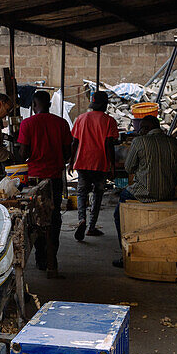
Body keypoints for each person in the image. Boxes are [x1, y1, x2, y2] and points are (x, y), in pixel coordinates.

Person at [113, 115, 177, 267]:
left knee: (118, 212)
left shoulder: (140, 142)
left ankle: (125, 255)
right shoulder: (175, 143)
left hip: (143, 193)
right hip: (168, 193)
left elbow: (128, 168)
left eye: (141, 129)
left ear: (146, 128)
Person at [17, 90, 72, 277]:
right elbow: (67, 153)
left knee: (35, 220)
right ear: (49, 104)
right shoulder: (62, 124)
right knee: (53, 219)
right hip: (54, 179)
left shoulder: (27, 124)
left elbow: (23, 154)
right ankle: (51, 261)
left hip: (34, 179)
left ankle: (40, 258)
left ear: (33, 105)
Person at [70, 91, 120, 241]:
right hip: (100, 163)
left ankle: (81, 220)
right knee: (98, 194)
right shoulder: (109, 121)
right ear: (105, 105)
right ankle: (91, 227)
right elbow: (109, 144)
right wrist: (112, 165)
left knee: (81, 192)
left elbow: (75, 142)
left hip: (83, 162)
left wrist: (71, 161)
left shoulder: (81, 118)